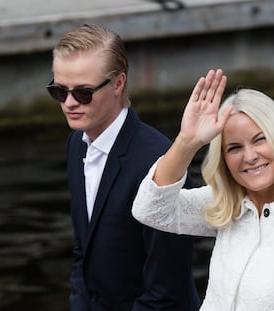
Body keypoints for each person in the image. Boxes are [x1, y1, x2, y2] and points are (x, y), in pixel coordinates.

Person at [132, 69, 274, 310]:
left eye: (259, 139)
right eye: (234, 148)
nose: (250, 157)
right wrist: (188, 141)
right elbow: (150, 210)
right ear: (224, 159)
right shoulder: (227, 204)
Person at [46, 24, 200, 311]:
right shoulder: (76, 144)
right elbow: (84, 250)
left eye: (83, 92)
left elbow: (168, 294)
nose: (68, 104)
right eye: (59, 91)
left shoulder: (161, 163)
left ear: (118, 84)